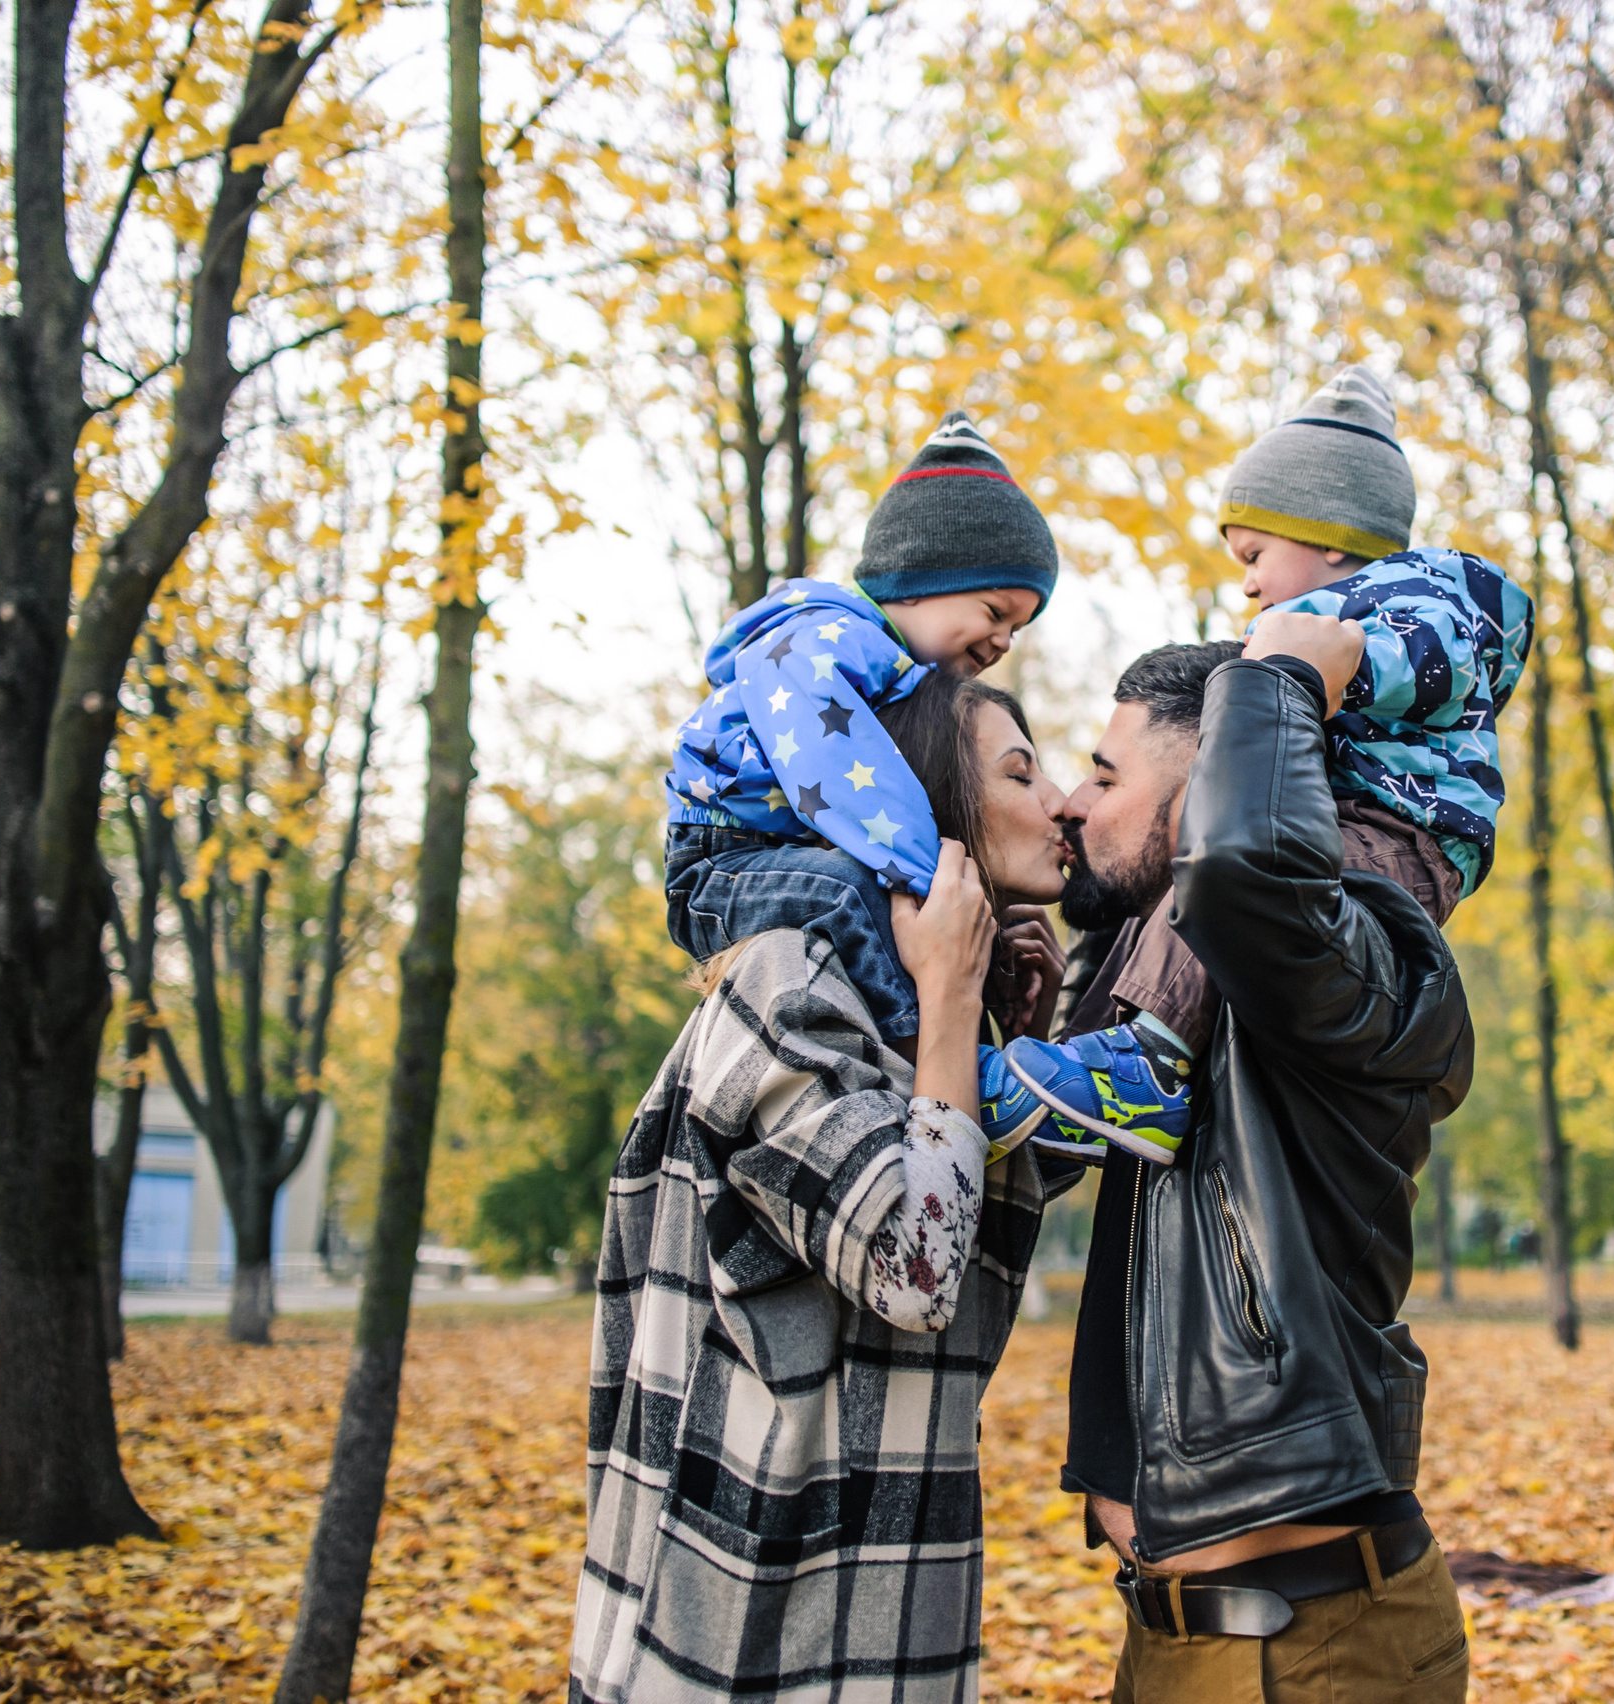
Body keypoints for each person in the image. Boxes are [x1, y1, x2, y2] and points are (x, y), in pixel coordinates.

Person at [571, 669, 1070, 1704]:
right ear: (925, 804)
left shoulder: (927, 1016)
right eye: (1021, 772)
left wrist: (1006, 1041)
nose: (1059, 801)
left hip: (890, 1617)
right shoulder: (786, 984)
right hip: (742, 1633)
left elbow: (971, 1228)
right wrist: (949, 1002)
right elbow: (917, 1271)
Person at [1051, 628, 1477, 1702]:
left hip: (1302, 1649)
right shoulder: (1176, 1010)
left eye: (1103, 776)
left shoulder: (1351, 970)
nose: (1071, 802)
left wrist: (1280, 677)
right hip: (1178, 1643)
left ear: (1213, 788)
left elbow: (1246, 872)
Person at [992, 367, 1530, 1168]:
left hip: (1402, 830)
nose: (1246, 582)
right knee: (1201, 870)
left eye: (1255, 555)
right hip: (1355, 817)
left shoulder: (1416, 598)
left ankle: (1148, 1064)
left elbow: (1435, 662)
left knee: (1223, 866)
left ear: (1330, 538)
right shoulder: (1322, 617)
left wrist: (1320, 666)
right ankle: (1099, 1063)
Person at [664, 409, 1062, 1049]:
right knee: (854, 891)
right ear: (919, 578)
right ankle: (920, 1050)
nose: (1003, 643)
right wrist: (932, 880)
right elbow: (837, 776)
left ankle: (981, 1047)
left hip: (770, 856)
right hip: (720, 869)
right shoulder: (821, 642)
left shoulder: (878, 661)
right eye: (995, 612)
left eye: (1019, 628)